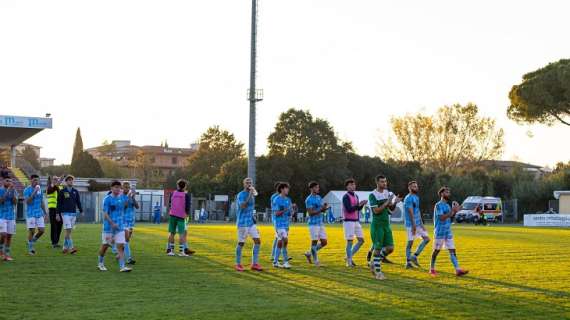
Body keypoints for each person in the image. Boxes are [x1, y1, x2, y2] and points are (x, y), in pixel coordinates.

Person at [429, 186, 469, 277]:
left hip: (448, 231)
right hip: (439, 232)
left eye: (449, 192)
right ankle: (431, 269)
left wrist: (456, 210)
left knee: (452, 250)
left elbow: (450, 216)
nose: (448, 194)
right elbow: (442, 218)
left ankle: (458, 270)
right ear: (442, 194)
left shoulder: (447, 205)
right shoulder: (438, 205)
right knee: (436, 251)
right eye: (446, 192)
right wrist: (453, 210)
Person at [367, 175, 401, 280]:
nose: (384, 184)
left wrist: (395, 202)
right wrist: (387, 202)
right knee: (377, 249)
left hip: (386, 225)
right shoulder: (372, 195)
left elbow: (391, 210)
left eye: (385, 181)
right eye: (382, 182)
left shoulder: (387, 193)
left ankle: (374, 262)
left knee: (390, 248)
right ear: (377, 183)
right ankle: (378, 273)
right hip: (377, 226)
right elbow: (376, 211)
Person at [97, 180, 132, 272]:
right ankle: (100, 263)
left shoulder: (121, 198)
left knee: (121, 246)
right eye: (115, 187)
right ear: (111, 188)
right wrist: (112, 223)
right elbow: (105, 214)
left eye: (119, 187)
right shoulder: (107, 199)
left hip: (120, 227)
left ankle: (122, 266)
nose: (117, 189)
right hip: (109, 228)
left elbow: (124, 206)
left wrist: (129, 196)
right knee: (105, 246)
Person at [234, 177, 263, 272]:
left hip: (251, 222)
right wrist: (250, 195)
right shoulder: (241, 195)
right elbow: (242, 206)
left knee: (258, 241)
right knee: (241, 243)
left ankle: (254, 263)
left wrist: (253, 216)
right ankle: (238, 264)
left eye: (250, 182)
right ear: (244, 184)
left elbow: (251, 208)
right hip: (242, 223)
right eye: (247, 182)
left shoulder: (252, 194)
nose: (249, 184)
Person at [403, 181, 430, 269]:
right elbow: (410, 213)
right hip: (410, 224)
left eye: (416, 186)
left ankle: (414, 256)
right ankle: (408, 263)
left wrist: (422, 224)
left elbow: (417, 211)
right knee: (410, 242)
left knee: (427, 239)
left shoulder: (416, 197)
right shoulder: (408, 198)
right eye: (414, 186)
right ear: (409, 188)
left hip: (418, 223)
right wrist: (414, 225)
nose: (416, 188)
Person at [342, 178, 368, 267]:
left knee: (361, 240)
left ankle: (348, 257)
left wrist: (362, 204)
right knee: (350, 242)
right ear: (347, 187)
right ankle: (348, 262)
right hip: (348, 221)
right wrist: (359, 205)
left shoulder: (356, 196)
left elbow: (358, 209)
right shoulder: (345, 196)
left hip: (356, 221)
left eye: (354, 184)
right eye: (351, 185)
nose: (353, 186)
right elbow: (349, 209)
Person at [303, 181, 329, 267]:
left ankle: (309, 253)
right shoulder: (308, 199)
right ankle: (316, 261)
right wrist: (321, 209)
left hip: (320, 223)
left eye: (318, 187)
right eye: (316, 187)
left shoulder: (319, 197)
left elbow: (322, 209)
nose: (318, 189)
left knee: (324, 242)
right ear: (312, 188)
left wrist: (325, 207)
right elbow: (310, 213)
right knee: (314, 242)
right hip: (313, 224)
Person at [166, 179, 193, 257]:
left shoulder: (173, 193)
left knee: (172, 233)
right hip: (181, 216)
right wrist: (187, 214)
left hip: (172, 215)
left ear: (177, 185)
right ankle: (181, 252)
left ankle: (170, 251)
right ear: (185, 186)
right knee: (181, 234)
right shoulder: (186, 195)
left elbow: (170, 204)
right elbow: (187, 206)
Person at [57, 175, 83, 254]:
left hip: (73, 214)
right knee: (68, 230)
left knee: (68, 232)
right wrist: (57, 214)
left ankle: (64, 248)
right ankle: (71, 248)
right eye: (69, 180)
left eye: (71, 180)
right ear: (66, 182)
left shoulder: (75, 191)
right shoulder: (62, 191)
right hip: (65, 214)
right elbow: (59, 203)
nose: (70, 181)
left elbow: (78, 202)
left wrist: (81, 211)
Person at [23, 174, 47, 255]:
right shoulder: (27, 190)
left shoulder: (40, 190)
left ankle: (31, 241)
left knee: (42, 230)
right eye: (34, 180)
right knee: (32, 231)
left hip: (39, 213)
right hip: (31, 213)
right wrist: (34, 192)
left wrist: (45, 212)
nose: (36, 182)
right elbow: (28, 202)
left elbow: (42, 202)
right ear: (31, 180)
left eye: (37, 180)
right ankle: (31, 248)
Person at [272, 182, 293, 269]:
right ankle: (285, 262)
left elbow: (289, 213)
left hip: (286, 224)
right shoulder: (276, 199)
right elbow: (276, 213)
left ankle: (275, 261)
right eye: (286, 188)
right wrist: (286, 209)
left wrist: (292, 211)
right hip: (279, 224)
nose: (288, 190)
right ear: (282, 189)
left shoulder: (288, 200)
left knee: (281, 242)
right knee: (285, 240)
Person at [121, 182, 139, 265]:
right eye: (125, 187)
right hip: (123, 220)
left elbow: (137, 206)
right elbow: (123, 207)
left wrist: (133, 198)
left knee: (127, 240)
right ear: (122, 188)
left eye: (128, 187)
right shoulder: (121, 196)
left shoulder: (131, 196)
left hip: (131, 221)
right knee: (126, 239)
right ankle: (128, 258)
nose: (127, 189)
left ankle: (120, 253)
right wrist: (128, 197)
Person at [0, 177, 18, 261]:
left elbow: (15, 203)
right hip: (2, 216)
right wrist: (7, 191)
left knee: (9, 236)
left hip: (11, 216)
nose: (9, 182)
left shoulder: (13, 190)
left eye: (10, 181)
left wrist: (13, 192)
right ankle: (0, 250)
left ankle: (7, 254)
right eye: (7, 181)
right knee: (3, 234)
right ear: (3, 181)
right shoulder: (1, 190)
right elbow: (1, 201)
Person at [47, 176, 63, 248]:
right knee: (54, 225)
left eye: (57, 179)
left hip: (59, 209)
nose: (55, 180)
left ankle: (56, 241)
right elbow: (52, 190)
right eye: (54, 179)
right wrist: (59, 182)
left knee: (60, 224)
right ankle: (54, 242)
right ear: (52, 181)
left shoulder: (60, 187)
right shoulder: (50, 187)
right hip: (52, 209)